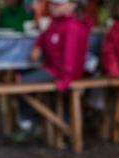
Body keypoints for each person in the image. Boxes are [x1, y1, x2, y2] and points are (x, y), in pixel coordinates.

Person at [18, 0, 91, 132]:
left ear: (72, 5)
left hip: (63, 73)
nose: (53, 7)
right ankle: (42, 122)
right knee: (23, 76)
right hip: (53, 69)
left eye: (58, 4)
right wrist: (38, 46)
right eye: (52, 4)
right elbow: (43, 36)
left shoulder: (72, 27)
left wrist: (66, 80)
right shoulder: (55, 22)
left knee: (24, 81)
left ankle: (29, 119)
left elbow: (71, 56)